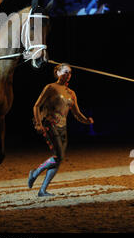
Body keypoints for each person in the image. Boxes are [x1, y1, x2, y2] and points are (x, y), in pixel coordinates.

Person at [28, 63, 93, 197]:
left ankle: (42, 190)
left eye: (69, 72)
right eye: (65, 72)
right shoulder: (51, 87)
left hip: (63, 128)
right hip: (50, 124)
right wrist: (39, 124)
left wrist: (86, 120)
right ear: (57, 73)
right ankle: (34, 173)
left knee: (58, 159)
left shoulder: (71, 93)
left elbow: (76, 113)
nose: (67, 75)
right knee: (59, 156)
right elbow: (36, 106)